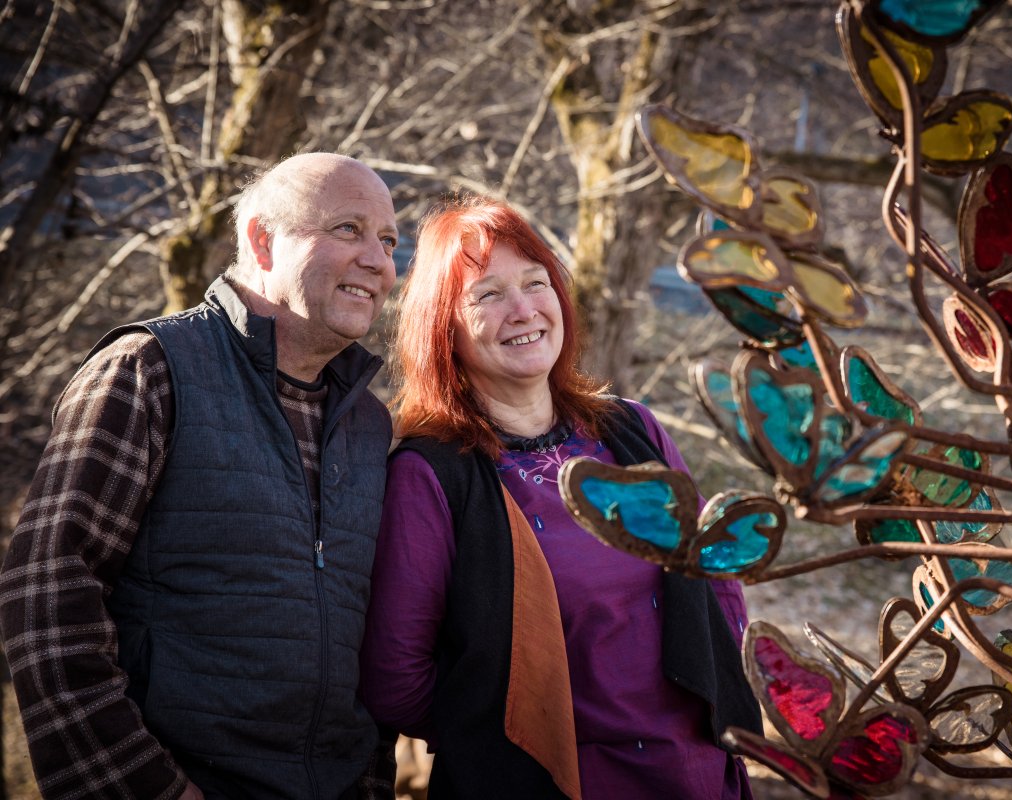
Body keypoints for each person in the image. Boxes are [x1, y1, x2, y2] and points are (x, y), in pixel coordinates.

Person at [0, 152, 401, 799]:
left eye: (388, 241)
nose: (380, 262)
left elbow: (367, 650)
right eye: (349, 229)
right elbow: (46, 604)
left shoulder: (371, 426)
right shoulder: (149, 371)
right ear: (262, 241)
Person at [359, 195, 762, 800]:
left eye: (535, 282)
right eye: (487, 295)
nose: (523, 310)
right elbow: (396, 678)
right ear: (443, 328)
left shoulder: (633, 431)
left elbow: (716, 577)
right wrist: (501, 743)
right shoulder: (430, 475)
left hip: (698, 775)